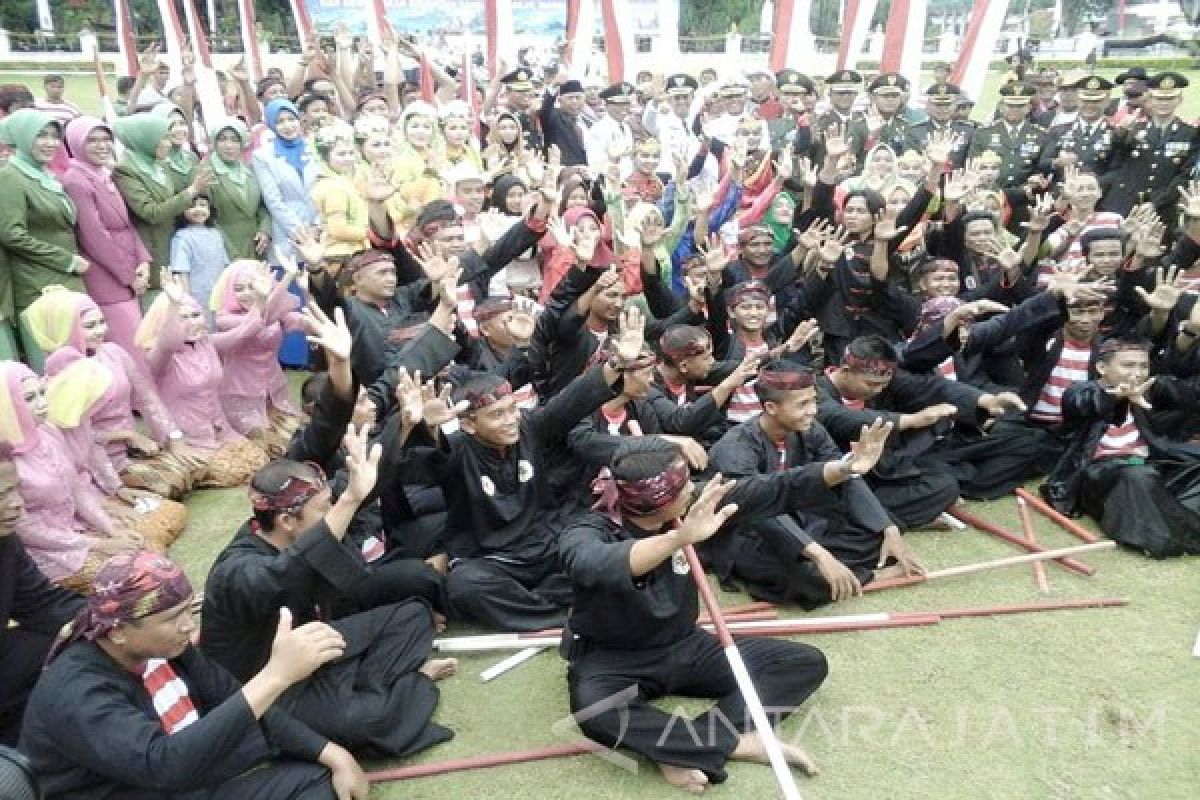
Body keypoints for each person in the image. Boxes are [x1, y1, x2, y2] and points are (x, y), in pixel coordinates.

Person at [559, 428, 891, 792]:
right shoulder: (587, 528)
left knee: (802, 663)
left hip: (685, 644)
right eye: (683, 483)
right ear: (658, 498)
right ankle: (735, 742)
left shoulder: (693, 506)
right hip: (615, 658)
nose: (691, 488)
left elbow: (773, 488)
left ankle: (686, 745)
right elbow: (594, 564)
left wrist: (845, 467)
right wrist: (679, 538)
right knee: (594, 710)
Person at [19, 549, 371, 799]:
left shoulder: (159, 644)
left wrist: (331, 752)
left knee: (319, 767)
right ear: (118, 631)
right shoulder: (75, 693)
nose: (188, 627)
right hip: (139, 785)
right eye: (172, 619)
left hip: (174, 771)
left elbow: (230, 695)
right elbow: (164, 765)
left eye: (189, 612)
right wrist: (276, 676)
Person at [388, 306, 648, 631]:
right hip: (492, 558)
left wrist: (616, 364)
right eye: (497, 415)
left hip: (546, 540)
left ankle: (545, 596)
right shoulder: (454, 450)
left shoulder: (530, 426)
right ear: (469, 425)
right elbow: (422, 456)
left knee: (602, 547)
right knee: (465, 587)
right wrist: (423, 427)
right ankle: (556, 614)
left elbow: (573, 400)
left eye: (512, 410)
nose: (511, 421)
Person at [200, 425, 454, 757]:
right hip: (274, 683)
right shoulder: (238, 571)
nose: (332, 513)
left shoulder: (292, 524)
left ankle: (369, 688)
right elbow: (288, 571)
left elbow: (356, 488)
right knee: (362, 722)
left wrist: (401, 427)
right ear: (287, 521)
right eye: (325, 509)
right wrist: (348, 501)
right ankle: (405, 685)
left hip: (315, 645)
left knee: (412, 613)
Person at [709, 360, 922, 608]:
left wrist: (887, 528)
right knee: (808, 576)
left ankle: (840, 564)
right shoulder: (734, 447)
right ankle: (868, 575)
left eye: (813, 401)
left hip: (802, 519)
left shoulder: (810, 429)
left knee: (877, 534)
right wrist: (818, 554)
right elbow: (758, 510)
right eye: (803, 404)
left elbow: (845, 475)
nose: (812, 410)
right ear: (771, 407)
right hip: (748, 530)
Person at [1044, 338, 1200, 557]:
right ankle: (1171, 536)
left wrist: (1163, 384)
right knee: (1137, 475)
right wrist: (1117, 396)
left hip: (1144, 462)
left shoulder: (1147, 389)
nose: (1137, 373)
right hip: (1098, 472)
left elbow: (1190, 397)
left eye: (1143, 366)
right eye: (1128, 365)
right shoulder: (1080, 391)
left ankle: (1179, 519)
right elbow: (1083, 402)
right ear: (1101, 367)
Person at [0, 360, 139, 590]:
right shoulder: (6, 460)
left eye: (42, 393)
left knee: (143, 544)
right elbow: (24, 530)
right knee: (129, 575)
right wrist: (96, 544)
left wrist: (109, 528)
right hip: (44, 551)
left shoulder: (49, 432)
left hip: (76, 527)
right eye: (29, 398)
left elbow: (76, 489)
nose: (42, 404)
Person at [0, 459, 85, 746]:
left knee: (82, 639)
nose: (16, 505)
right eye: (1, 495)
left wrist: (116, 613)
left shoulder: (6, 544)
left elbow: (43, 603)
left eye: (16, 490)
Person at [61, 116, 152, 369]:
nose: (102, 146)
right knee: (128, 341)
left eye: (105, 139)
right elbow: (94, 236)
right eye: (92, 140)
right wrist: (128, 275)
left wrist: (143, 261)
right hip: (106, 275)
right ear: (76, 143)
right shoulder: (76, 180)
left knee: (139, 338)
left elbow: (126, 223)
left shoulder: (104, 174)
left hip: (129, 266)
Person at [0, 109, 86, 371]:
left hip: (65, 280)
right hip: (39, 285)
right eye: (41, 136)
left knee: (78, 365)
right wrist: (66, 260)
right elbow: (11, 233)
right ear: (23, 138)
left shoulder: (45, 175)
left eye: (54, 136)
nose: (50, 143)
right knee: (54, 369)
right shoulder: (10, 176)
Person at [114, 113, 216, 301]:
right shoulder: (126, 170)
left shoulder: (159, 164)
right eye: (164, 138)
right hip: (153, 253)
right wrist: (192, 191)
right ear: (146, 139)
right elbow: (150, 212)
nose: (169, 144)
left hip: (173, 245)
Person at [205, 118, 272, 261]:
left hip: (256, 247)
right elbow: (207, 219)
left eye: (234, 140)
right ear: (214, 144)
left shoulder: (249, 170)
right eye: (222, 140)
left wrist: (264, 229)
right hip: (226, 249)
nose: (228, 146)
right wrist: (229, 251)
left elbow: (261, 205)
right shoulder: (206, 173)